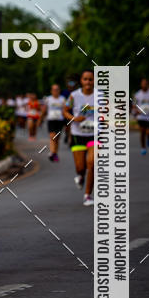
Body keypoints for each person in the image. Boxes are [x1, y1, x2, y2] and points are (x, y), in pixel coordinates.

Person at [63, 69, 97, 206]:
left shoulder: (100, 96)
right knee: (80, 167)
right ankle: (81, 176)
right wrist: (74, 118)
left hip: (94, 135)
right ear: (81, 81)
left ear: (94, 81)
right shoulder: (74, 96)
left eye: (90, 79)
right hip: (78, 135)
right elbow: (65, 111)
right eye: (85, 79)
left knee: (92, 163)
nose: (88, 82)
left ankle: (87, 195)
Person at [132, 77, 149, 155]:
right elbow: (134, 105)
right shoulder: (137, 94)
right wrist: (136, 111)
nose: (144, 85)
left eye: (146, 83)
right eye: (143, 83)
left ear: (147, 84)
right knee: (142, 132)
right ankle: (143, 147)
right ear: (141, 84)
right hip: (141, 117)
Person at [41, 83, 65, 161]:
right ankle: (52, 152)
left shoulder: (62, 99)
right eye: (54, 89)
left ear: (59, 90)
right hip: (51, 120)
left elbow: (65, 110)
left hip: (60, 121)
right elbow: (44, 110)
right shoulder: (48, 99)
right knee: (52, 137)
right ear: (51, 91)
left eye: (57, 89)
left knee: (57, 138)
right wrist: (40, 119)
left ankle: (55, 153)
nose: (55, 91)